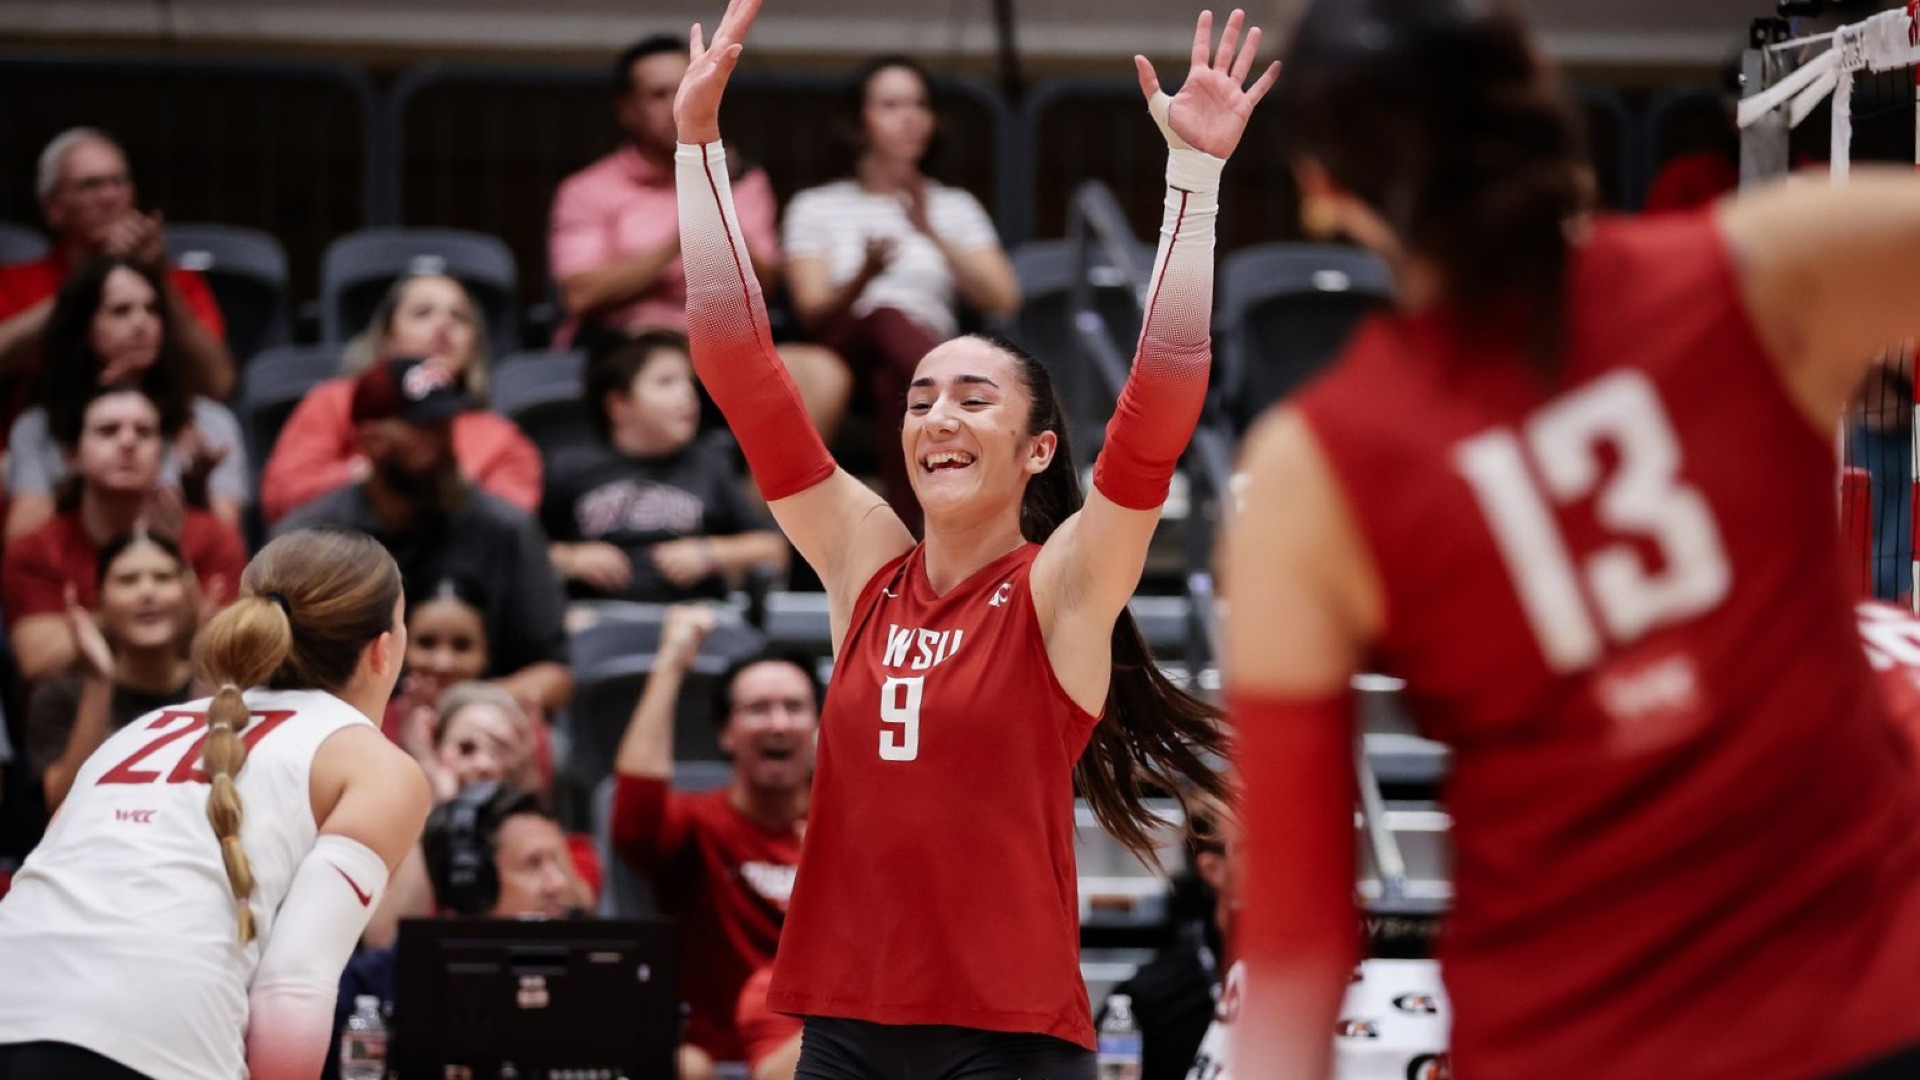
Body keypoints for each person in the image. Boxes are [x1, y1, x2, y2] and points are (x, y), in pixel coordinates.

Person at [1224, 2, 1920, 1077]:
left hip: (1578, 1037)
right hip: (1869, 1009)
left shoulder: (1308, 473)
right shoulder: (1766, 263)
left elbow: (1299, 939)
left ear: (1322, 186)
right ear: (1542, 96)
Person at [674, 1, 1260, 1072]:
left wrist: (1196, 183)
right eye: (921, 397)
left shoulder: (1064, 589)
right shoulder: (866, 565)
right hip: (844, 1031)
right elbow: (735, 366)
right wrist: (697, 149)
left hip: (1006, 1042)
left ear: (1038, 450)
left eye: (975, 399)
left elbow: (1159, 409)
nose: (938, 415)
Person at [0, 527, 431, 1079]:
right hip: (145, 1040)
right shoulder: (373, 761)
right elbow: (293, 988)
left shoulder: (139, 731)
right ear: (384, 649)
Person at [549, 35, 850, 439]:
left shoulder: (744, 180)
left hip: (727, 344)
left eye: (688, 85)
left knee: (821, 373)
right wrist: (680, 237)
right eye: (659, 94)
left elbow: (767, 284)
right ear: (627, 110)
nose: (678, 102)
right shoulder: (589, 189)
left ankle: (762, 502)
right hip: (630, 343)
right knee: (662, 365)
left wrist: (717, 200)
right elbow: (581, 294)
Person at [782, 54, 1022, 531]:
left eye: (919, 104)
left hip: (913, 353)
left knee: (896, 387)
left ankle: (914, 542)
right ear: (859, 121)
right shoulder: (818, 205)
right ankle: (970, 396)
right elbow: (811, 310)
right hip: (844, 346)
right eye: (891, 105)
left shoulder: (953, 206)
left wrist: (931, 230)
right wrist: (864, 276)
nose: (910, 117)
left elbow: (1004, 296)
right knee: (886, 314)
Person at [275, 357, 574, 712]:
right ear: (372, 441)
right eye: (428, 428)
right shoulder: (309, 541)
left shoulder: (504, 529)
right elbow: (272, 671)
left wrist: (456, 706)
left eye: (448, 424)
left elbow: (555, 676)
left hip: (473, 734)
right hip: (343, 729)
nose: (447, 442)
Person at [609, 604, 817, 1072]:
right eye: (758, 709)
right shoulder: (698, 822)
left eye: (794, 707)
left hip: (815, 1054)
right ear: (725, 732)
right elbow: (633, 820)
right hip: (709, 1060)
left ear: (819, 727)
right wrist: (671, 663)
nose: (778, 724)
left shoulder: (847, 833)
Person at [3, 386, 246, 682]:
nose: (128, 441)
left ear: (162, 453)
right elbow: (38, 660)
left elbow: (234, 651)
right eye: (108, 431)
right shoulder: (36, 550)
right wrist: (135, 607)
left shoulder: (212, 536)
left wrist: (172, 560)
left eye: (144, 432)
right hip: (72, 712)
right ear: (72, 457)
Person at [260, 272, 542, 526]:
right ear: (386, 338)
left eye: (460, 317)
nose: (444, 325)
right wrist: (380, 478)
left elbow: (508, 534)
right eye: (422, 313)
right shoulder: (335, 402)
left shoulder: (501, 436)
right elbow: (283, 500)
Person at [0, 128, 234, 430]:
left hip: (149, 445)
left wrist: (157, 279)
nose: (110, 196)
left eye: (119, 182)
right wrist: (84, 285)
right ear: (53, 208)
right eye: (91, 185)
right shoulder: (14, 282)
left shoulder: (176, 281)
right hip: (39, 450)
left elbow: (218, 383)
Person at [7, 255, 249, 540]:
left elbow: (228, 556)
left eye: (152, 309)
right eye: (121, 311)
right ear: (85, 327)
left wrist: (197, 495)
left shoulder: (209, 422)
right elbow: (23, 547)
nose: (141, 322)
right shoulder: (37, 428)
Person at [544, 329, 789, 601]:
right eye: (666, 382)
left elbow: (773, 549)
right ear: (619, 403)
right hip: (595, 622)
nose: (687, 395)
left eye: (688, 382)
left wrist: (709, 553)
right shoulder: (569, 467)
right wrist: (573, 558)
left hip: (694, 619)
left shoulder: (710, 465)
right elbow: (521, 550)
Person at [28, 530, 201, 813]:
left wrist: (208, 674)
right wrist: (100, 681)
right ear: (99, 603)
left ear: (190, 598)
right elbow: (62, 805)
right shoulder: (59, 696)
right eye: (127, 580)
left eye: (163, 577)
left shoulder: (227, 690)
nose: (147, 592)